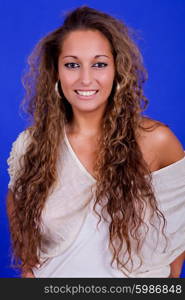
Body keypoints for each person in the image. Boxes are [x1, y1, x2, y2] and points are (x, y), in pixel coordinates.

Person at [6, 5, 185, 278]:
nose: (86, 78)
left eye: (99, 64)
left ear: (117, 71)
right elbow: (21, 230)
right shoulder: (31, 146)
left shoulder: (155, 141)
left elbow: (179, 226)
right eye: (72, 65)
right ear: (56, 72)